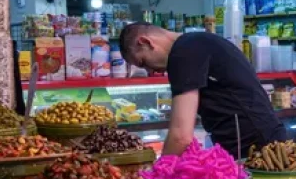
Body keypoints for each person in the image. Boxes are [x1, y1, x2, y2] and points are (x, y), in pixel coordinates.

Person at [119, 23, 287, 158]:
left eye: (143, 63)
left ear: (146, 42)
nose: (151, 72)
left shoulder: (183, 52)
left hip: (258, 150)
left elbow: (181, 136)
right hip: (261, 142)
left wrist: (158, 175)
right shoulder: (197, 42)